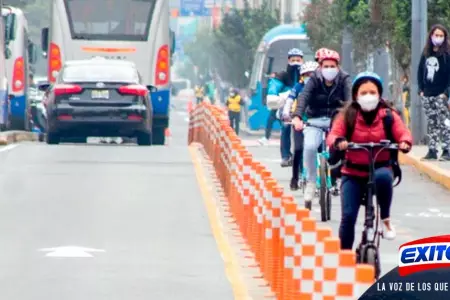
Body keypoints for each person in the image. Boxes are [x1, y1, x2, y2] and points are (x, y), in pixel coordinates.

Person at [326, 71, 412, 250]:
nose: (368, 96)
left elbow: (402, 131)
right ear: (356, 95)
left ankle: (386, 220)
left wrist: (404, 142)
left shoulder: (389, 115)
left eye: (372, 92)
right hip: (352, 173)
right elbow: (334, 133)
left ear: (379, 94)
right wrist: (339, 141)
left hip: (380, 167)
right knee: (348, 217)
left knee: (384, 178)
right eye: (363, 93)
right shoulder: (347, 115)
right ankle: (345, 257)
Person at [292, 49, 351, 207]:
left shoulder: (344, 79)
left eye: (333, 66)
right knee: (310, 147)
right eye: (326, 66)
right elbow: (303, 97)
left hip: (336, 121)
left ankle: (337, 177)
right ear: (320, 66)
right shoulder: (314, 79)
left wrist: (351, 118)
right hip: (314, 120)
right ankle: (311, 181)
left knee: (343, 146)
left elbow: (350, 101)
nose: (329, 69)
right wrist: (297, 116)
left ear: (338, 67)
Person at [259, 48, 304, 167]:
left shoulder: (307, 75)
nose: (295, 62)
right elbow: (273, 88)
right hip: (287, 109)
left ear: (302, 60)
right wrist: (275, 97)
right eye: (293, 59)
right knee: (285, 127)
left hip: (304, 109)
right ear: (288, 60)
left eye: (298, 60)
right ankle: (285, 156)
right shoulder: (282, 75)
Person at [282, 61, 319, 190]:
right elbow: (289, 100)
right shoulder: (298, 86)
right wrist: (286, 113)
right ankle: (295, 178)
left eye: (312, 74)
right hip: (300, 122)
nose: (309, 76)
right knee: (298, 149)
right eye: (306, 74)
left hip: (316, 122)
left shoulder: (322, 87)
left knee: (322, 150)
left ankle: (326, 178)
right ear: (302, 76)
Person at [417, 24, 450, 161]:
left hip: (441, 94)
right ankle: (432, 150)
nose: (438, 38)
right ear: (431, 36)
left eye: (441, 35)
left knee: (444, 122)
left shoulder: (447, 55)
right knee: (432, 122)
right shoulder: (426, 53)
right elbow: (420, 72)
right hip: (427, 94)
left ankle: (447, 150)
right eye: (436, 35)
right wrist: (421, 90)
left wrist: (446, 93)